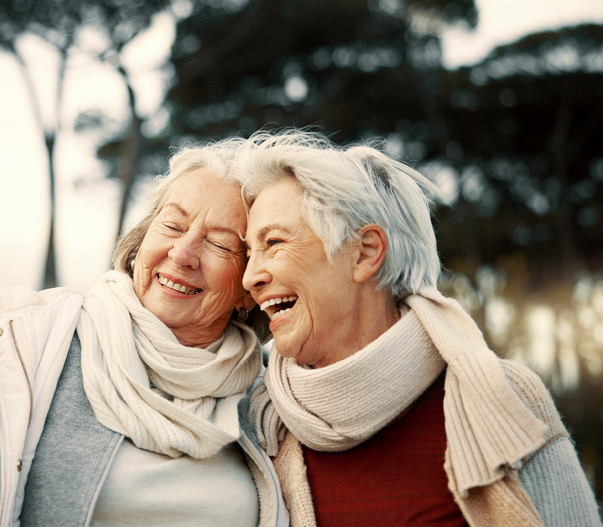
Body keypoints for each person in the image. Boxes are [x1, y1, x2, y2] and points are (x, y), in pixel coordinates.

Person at [238, 129, 602, 526]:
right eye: (248, 252)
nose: (250, 276)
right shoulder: (261, 424)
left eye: (273, 242)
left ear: (365, 253)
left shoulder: (507, 399)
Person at [0, 139, 289, 526]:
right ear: (141, 240)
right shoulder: (22, 340)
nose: (182, 254)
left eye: (220, 243)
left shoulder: (268, 405)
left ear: (249, 289)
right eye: (172, 225)